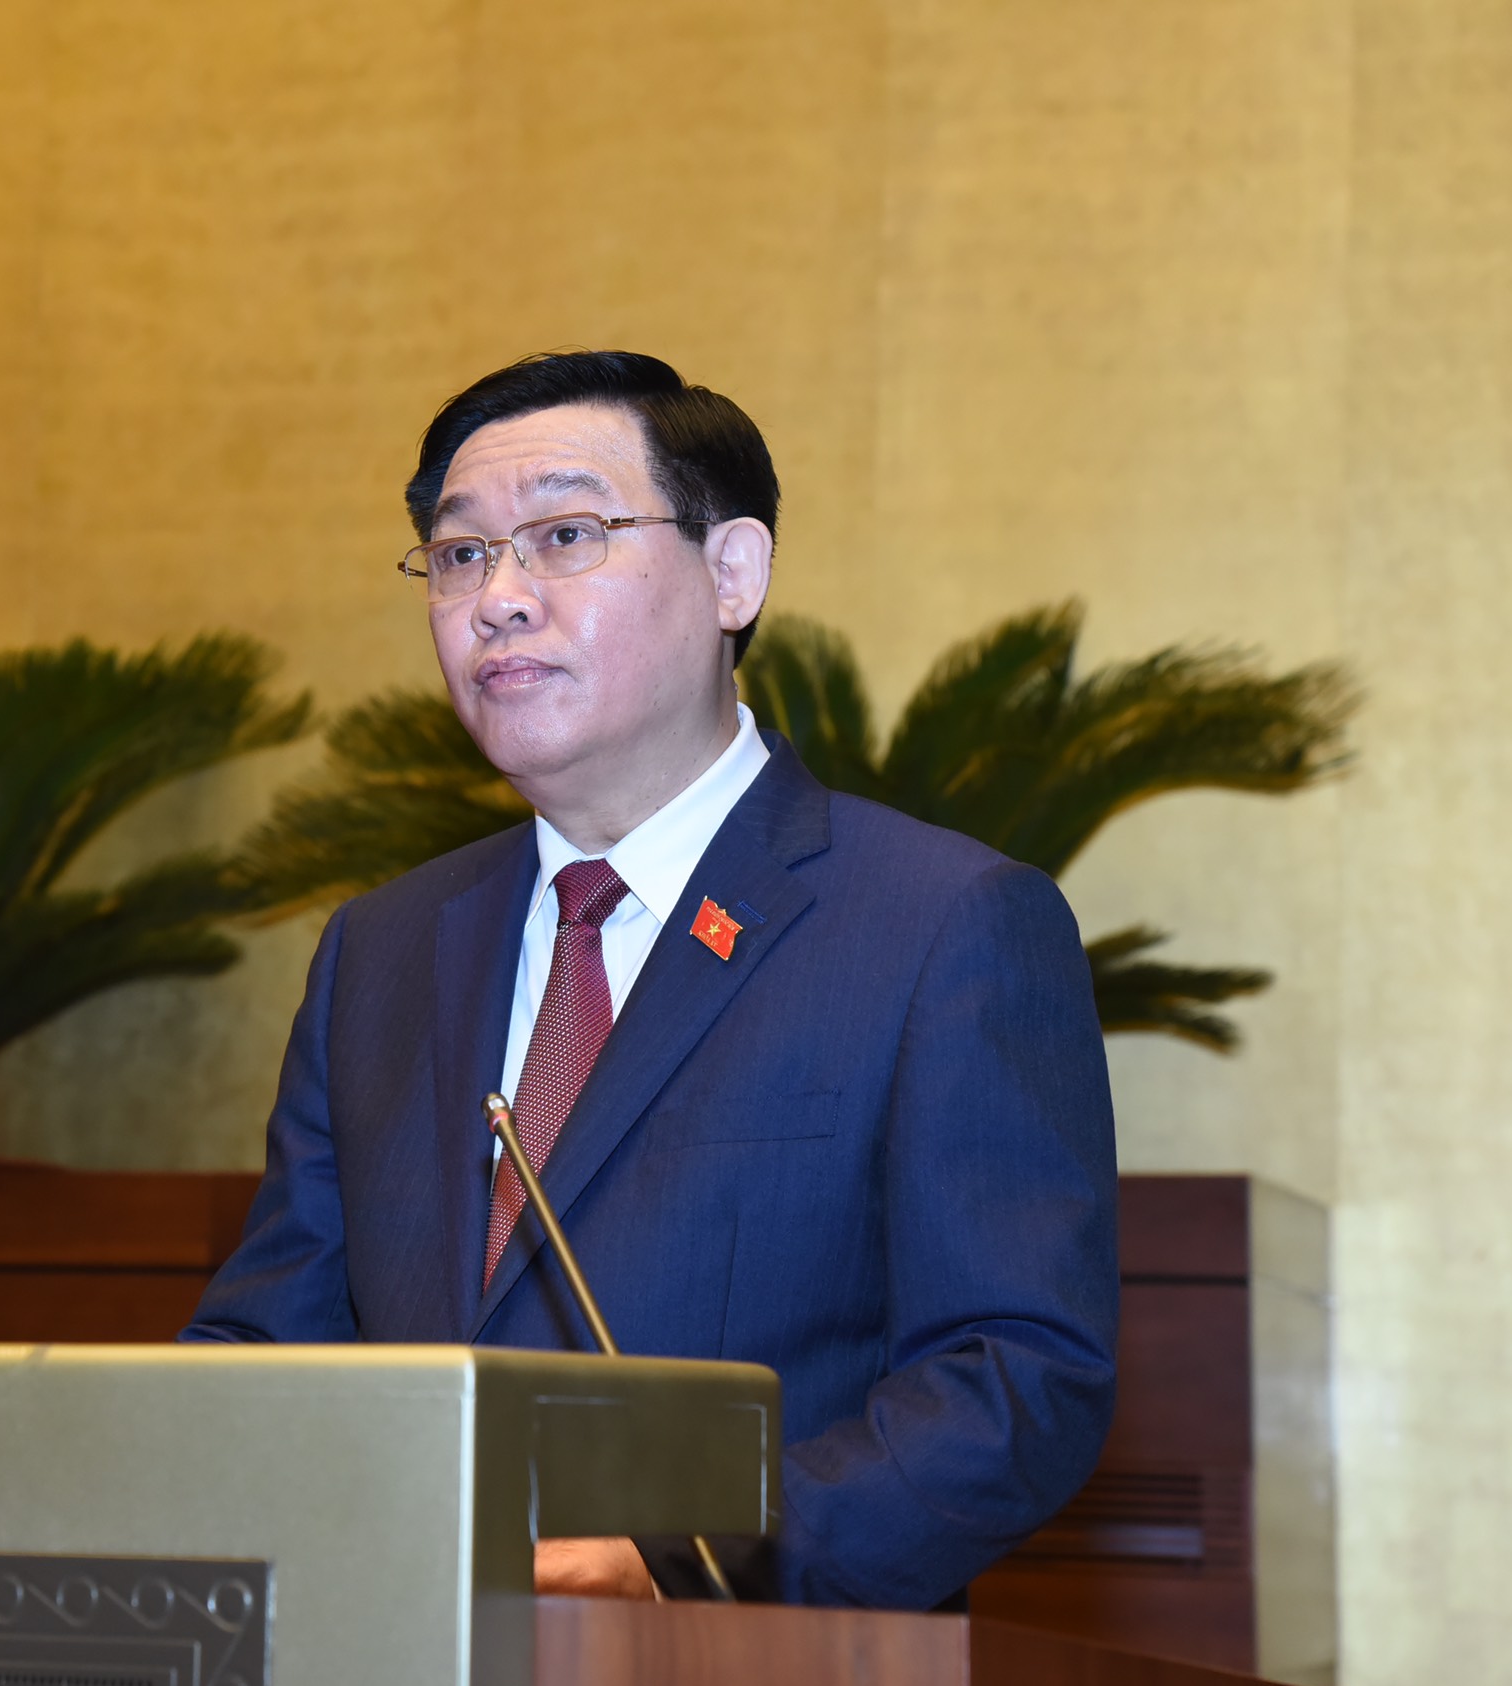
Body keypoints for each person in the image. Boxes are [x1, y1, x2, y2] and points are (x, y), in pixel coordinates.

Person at [183, 350, 1117, 1607]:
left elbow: (1015, 1377)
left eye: (564, 535)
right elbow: (275, 1341)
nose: (496, 599)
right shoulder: (383, 950)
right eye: (459, 554)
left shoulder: (937, 925)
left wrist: (682, 1556)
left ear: (732, 572)